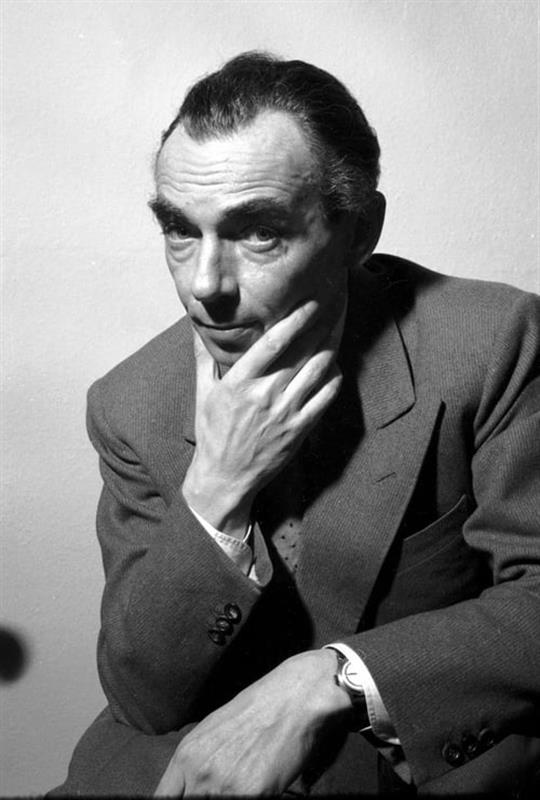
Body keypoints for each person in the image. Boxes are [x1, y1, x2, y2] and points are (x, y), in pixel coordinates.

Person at [53, 52, 540, 796]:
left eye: (258, 233)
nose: (205, 285)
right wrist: (214, 492)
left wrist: (331, 680)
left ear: (359, 231)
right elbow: (142, 698)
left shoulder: (492, 341)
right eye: (180, 229)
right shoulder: (128, 404)